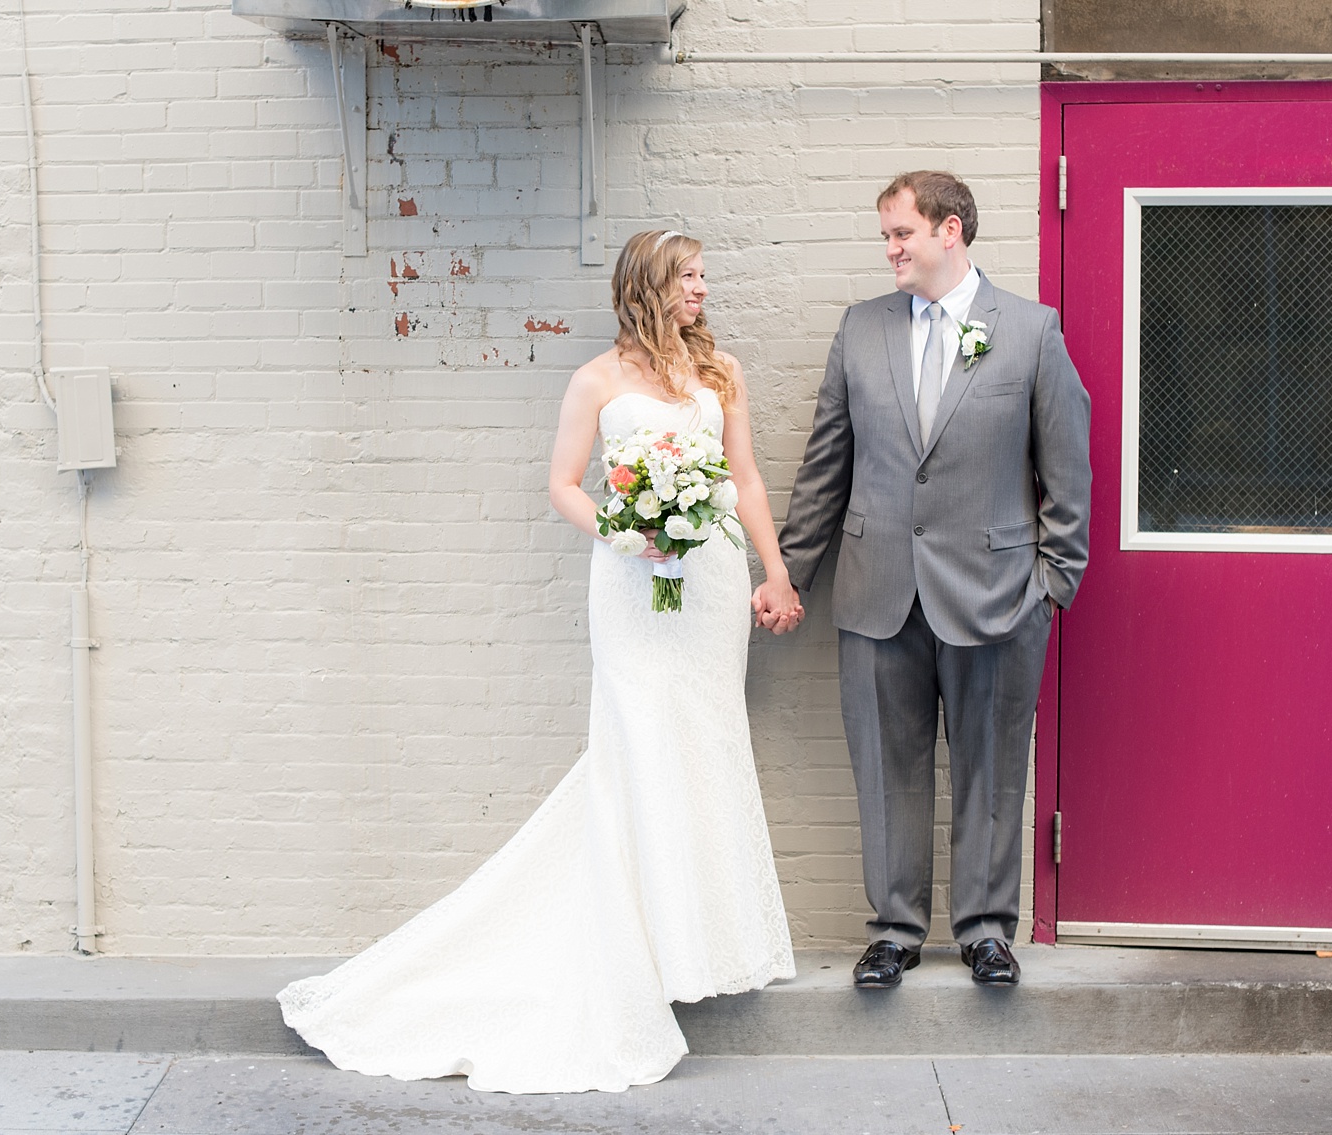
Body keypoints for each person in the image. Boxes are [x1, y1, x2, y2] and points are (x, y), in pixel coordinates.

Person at [279, 229, 797, 1094]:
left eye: (704, 276)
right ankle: (633, 944)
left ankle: (697, 940)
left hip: (705, 582)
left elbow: (743, 478)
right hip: (632, 583)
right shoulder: (595, 379)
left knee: (705, 739)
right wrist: (625, 532)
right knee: (634, 742)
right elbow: (564, 483)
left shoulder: (722, 373)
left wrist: (772, 570)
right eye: (690, 277)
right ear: (650, 286)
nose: (703, 289)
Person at [755, 170, 1091, 988]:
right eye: (886, 236)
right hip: (877, 592)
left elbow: (1068, 470)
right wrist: (788, 573)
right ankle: (895, 931)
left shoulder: (1031, 330)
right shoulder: (861, 329)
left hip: (998, 596)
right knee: (886, 767)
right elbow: (825, 465)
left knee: (992, 764)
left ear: (951, 231)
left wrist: (1053, 584)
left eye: (901, 233)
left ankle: (984, 929)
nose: (891, 249)